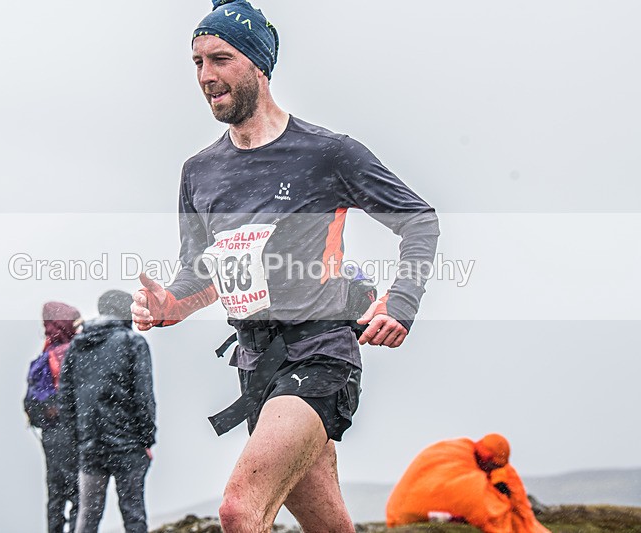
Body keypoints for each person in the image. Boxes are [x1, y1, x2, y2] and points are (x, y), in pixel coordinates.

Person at [131, 0, 440, 531]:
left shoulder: (328, 153)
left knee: (239, 509)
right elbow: (201, 274)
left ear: (258, 65)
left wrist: (401, 300)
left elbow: (418, 221)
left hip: (320, 354)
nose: (206, 75)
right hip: (256, 367)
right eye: (198, 62)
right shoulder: (199, 171)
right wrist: (168, 305)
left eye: (221, 59)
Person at [58, 290, 157, 533]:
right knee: (133, 514)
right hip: (128, 444)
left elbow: (66, 400)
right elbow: (143, 396)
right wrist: (147, 439)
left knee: (88, 516)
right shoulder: (132, 342)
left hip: (90, 446)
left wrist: (79, 439)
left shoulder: (77, 346)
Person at [386, 434, 550, 533]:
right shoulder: (460, 466)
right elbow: (480, 507)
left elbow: (506, 474)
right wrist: (500, 496)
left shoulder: (469, 453)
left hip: (397, 514)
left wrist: (498, 479)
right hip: (401, 517)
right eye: (493, 466)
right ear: (486, 459)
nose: (494, 470)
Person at [39, 301, 82, 533]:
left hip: (51, 436)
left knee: (56, 494)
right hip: (71, 432)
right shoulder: (72, 351)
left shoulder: (43, 357)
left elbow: (33, 404)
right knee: (79, 494)